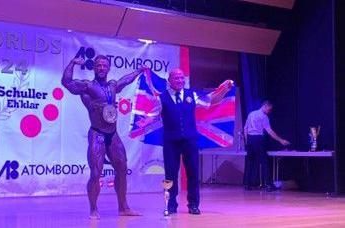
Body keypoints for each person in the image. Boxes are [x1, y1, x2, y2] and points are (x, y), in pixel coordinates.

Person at [61, 55, 147, 219]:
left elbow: (126, 80)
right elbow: (67, 83)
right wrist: (72, 63)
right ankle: (93, 209)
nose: (101, 68)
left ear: (108, 68)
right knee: (95, 173)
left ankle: (123, 208)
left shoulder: (113, 86)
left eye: (104, 66)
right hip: (97, 134)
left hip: (113, 135)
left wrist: (139, 70)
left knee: (121, 169)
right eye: (98, 65)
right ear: (94, 68)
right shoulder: (88, 86)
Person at [159, 68, 233, 215]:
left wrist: (224, 89)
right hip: (170, 142)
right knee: (169, 176)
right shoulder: (162, 97)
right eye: (176, 78)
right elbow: (152, 115)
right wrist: (141, 125)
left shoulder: (191, 94)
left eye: (181, 78)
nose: (180, 81)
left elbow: (211, 100)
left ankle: (193, 205)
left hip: (190, 141)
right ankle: (171, 205)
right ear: (169, 80)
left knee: (193, 173)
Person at [243, 101, 290, 191]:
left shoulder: (251, 114)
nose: (269, 111)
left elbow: (245, 129)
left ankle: (247, 184)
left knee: (250, 163)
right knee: (264, 162)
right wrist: (281, 140)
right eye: (269, 109)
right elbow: (269, 131)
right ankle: (268, 185)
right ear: (265, 106)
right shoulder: (263, 117)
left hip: (250, 140)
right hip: (258, 139)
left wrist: (247, 142)